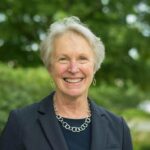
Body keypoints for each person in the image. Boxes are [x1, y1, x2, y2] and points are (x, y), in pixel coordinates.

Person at [0, 16, 133, 150]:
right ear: (50, 67)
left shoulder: (118, 128)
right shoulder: (21, 123)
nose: (73, 69)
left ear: (94, 67)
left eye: (82, 59)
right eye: (63, 59)